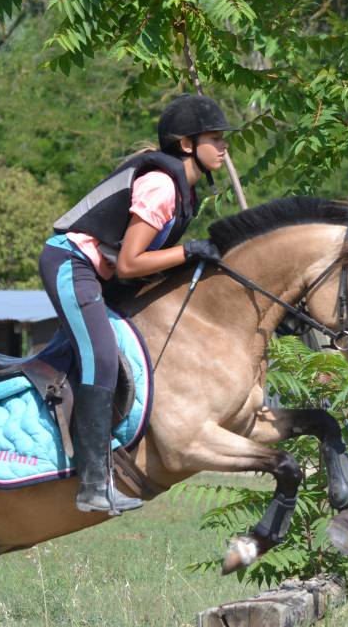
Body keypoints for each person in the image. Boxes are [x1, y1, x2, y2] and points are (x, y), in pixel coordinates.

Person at [41, 93, 234, 514]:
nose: (224, 147)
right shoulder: (163, 186)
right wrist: (188, 253)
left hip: (99, 274)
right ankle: (92, 484)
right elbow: (130, 264)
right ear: (187, 144)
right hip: (72, 265)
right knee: (103, 358)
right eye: (215, 138)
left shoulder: (186, 191)